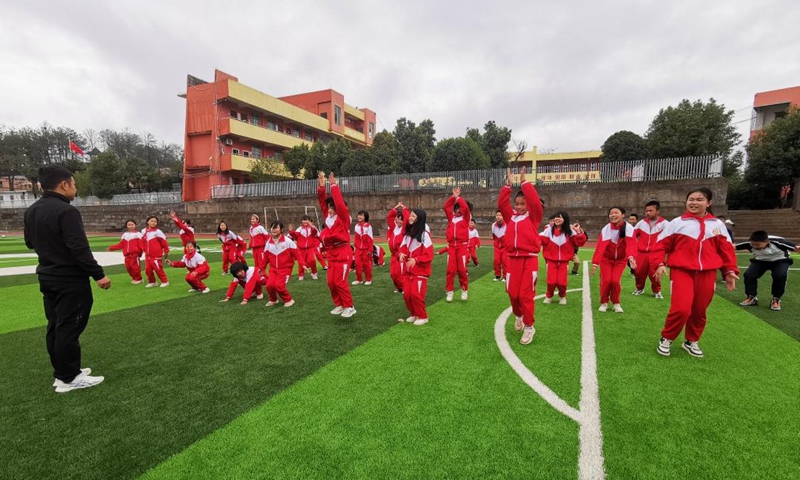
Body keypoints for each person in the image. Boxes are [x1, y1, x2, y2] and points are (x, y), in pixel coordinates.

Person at [24, 164, 110, 393]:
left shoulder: (32, 210)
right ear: (64, 184)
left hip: (47, 275)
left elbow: (30, 242)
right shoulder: (66, 211)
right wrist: (98, 275)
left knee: (55, 325)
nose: (75, 188)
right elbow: (78, 247)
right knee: (68, 328)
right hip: (70, 279)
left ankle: (63, 372)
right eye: (74, 183)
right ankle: (69, 378)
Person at [655, 188, 739, 358]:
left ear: (709, 203)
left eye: (699, 199)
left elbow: (726, 251)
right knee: (681, 309)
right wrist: (659, 263)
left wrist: (729, 270)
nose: (694, 202)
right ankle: (667, 338)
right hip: (681, 271)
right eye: (691, 199)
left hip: (707, 273)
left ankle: (691, 340)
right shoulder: (677, 223)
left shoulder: (717, 225)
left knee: (699, 310)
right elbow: (661, 245)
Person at [498, 167, 544, 345]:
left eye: (521, 204)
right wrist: (507, 185)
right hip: (513, 260)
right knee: (512, 293)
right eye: (516, 204)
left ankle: (529, 327)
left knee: (525, 295)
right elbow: (502, 205)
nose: (518, 207)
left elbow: (534, 202)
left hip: (529, 259)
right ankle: (518, 315)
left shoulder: (534, 217)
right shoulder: (511, 217)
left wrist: (525, 183)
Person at [318, 172, 356, 318]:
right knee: (331, 283)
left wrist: (333, 186)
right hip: (332, 253)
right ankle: (339, 304)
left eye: (332, 207)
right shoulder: (329, 219)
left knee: (340, 282)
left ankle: (349, 306)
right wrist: (321, 188)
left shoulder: (344, 218)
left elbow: (339, 204)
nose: (330, 209)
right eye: (329, 207)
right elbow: (322, 203)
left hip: (343, 252)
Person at [736, 230, 798, 311]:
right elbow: (731, 247)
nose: (754, 246)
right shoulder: (749, 244)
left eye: (757, 245)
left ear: (767, 242)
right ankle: (751, 297)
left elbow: (796, 248)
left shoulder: (779, 243)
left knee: (779, 275)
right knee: (749, 275)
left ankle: (776, 299)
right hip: (760, 261)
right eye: (753, 244)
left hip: (780, 260)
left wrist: (797, 248)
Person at [591, 207, 637, 313]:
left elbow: (631, 243)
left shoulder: (629, 228)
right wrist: (595, 263)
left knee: (615, 281)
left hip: (620, 260)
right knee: (606, 281)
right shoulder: (606, 229)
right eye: (611, 213)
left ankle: (616, 303)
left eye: (616, 213)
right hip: (606, 259)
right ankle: (604, 302)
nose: (613, 215)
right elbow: (600, 247)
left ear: (623, 215)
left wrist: (631, 256)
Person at [539, 211, 587, 304]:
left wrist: (578, 232)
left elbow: (579, 242)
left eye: (560, 217)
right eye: (556, 217)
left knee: (562, 282)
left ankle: (562, 296)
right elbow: (540, 240)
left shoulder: (570, 232)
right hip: (551, 260)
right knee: (551, 281)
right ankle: (549, 296)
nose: (557, 219)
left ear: (565, 219)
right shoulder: (549, 230)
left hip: (564, 261)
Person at [398, 209, 434, 325]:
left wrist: (416, 259)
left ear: (419, 219)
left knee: (416, 295)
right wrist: (401, 253)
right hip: (408, 271)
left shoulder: (424, 235)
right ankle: (413, 314)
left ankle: (423, 316)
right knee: (407, 295)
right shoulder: (408, 234)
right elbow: (402, 247)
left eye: (413, 216)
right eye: (410, 216)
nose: (410, 218)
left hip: (420, 272)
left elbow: (429, 254)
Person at [264, 220, 309, 307]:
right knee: (269, 285)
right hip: (273, 269)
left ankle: (289, 300)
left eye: (276, 227)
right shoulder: (268, 243)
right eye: (272, 227)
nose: (273, 230)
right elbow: (265, 258)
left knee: (279, 286)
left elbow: (297, 254)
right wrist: (261, 269)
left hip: (285, 269)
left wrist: (303, 264)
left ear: (281, 229)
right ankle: (273, 300)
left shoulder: (288, 241)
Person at [632, 201, 667, 299]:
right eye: (646, 211)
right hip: (641, 253)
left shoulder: (665, 224)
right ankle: (639, 289)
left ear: (658, 211)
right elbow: (633, 235)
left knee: (654, 273)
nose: (648, 213)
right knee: (638, 272)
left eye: (651, 210)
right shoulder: (641, 223)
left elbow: (668, 240)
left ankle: (657, 291)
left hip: (655, 253)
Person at [444, 188, 471, 302]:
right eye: (456, 208)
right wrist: (453, 197)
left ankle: (464, 289)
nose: (458, 210)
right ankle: (450, 291)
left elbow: (465, 208)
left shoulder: (465, 218)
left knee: (461, 269)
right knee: (450, 270)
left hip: (462, 246)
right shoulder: (451, 218)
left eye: (459, 208)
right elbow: (446, 207)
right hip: (451, 247)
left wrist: (458, 198)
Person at [107, 219, 144, 284]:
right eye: (129, 225)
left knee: (135, 267)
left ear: (135, 225)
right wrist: (111, 248)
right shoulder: (125, 235)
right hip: (127, 255)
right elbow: (121, 244)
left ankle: (139, 279)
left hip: (135, 254)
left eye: (132, 224)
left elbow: (141, 244)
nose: (130, 226)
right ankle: (134, 278)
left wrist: (145, 251)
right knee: (128, 268)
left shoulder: (138, 234)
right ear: (126, 226)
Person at [289, 215, 321, 281]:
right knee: (301, 262)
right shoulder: (299, 229)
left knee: (312, 260)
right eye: (304, 220)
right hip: (301, 248)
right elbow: (295, 236)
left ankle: (314, 273)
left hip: (310, 248)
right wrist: (291, 231)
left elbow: (315, 233)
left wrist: (312, 226)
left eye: (306, 220)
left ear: (309, 221)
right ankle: (301, 275)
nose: (305, 221)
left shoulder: (312, 228)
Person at [141, 215, 170, 288]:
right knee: (148, 270)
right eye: (152, 221)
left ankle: (165, 281)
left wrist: (166, 251)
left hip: (156, 255)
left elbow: (164, 242)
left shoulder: (158, 232)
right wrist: (143, 249)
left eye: (155, 221)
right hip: (147, 255)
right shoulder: (143, 231)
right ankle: (152, 281)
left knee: (158, 269)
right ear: (148, 222)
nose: (153, 223)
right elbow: (142, 242)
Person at [387, 203, 410, 293]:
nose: (398, 221)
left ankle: (405, 287)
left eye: (401, 220)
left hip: (401, 255)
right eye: (397, 219)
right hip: (393, 255)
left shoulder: (404, 229)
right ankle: (399, 287)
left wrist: (404, 208)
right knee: (393, 274)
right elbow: (389, 217)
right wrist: (396, 207)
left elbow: (407, 218)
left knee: (401, 273)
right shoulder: (394, 228)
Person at [353, 210, 374, 286]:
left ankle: (368, 279)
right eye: (359, 215)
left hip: (366, 249)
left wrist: (370, 249)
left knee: (366, 265)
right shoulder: (356, 226)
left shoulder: (368, 226)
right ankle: (359, 279)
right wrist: (355, 247)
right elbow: (356, 238)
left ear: (365, 217)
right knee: (357, 264)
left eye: (361, 215)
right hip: (358, 249)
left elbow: (370, 239)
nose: (360, 217)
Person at [491, 210, 507, 281]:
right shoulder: (493, 225)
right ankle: (497, 275)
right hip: (497, 247)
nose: (498, 217)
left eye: (500, 215)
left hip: (505, 247)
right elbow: (494, 236)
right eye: (497, 215)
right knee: (496, 261)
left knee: (505, 261)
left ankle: (505, 276)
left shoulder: (507, 225)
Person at [627, 213, 639, 277]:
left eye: (633, 219)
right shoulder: (626, 228)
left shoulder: (638, 228)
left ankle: (634, 272)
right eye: (630, 219)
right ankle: (633, 272)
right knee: (628, 261)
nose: (631, 221)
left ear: (636, 220)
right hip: (627, 247)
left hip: (636, 248)